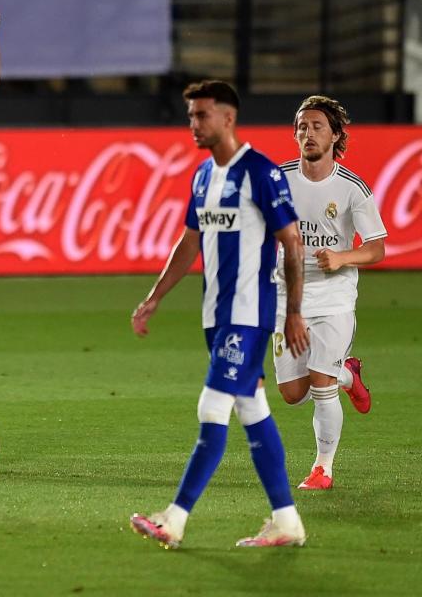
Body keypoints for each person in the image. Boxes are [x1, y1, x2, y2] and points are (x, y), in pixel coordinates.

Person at [129, 80, 309, 549]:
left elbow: (292, 242)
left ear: (228, 118)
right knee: (252, 409)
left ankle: (174, 518)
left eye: (201, 114)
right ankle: (287, 520)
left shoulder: (261, 173)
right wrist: (156, 296)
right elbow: (190, 241)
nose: (193, 123)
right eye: (190, 115)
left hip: (248, 316)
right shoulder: (203, 176)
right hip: (216, 316)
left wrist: (293, 312)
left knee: (213, 407)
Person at [271, 95, 387, 490]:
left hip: (335, 297)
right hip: (289, 301)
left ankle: (323, 468)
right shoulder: (279, 180)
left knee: (320, 382)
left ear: (336, 135)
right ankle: (348, 374)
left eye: (317, 126)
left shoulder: (352, 188)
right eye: (302, 126)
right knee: (291, 393)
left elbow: (376, 247)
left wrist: (342, 257)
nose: (308, 133)